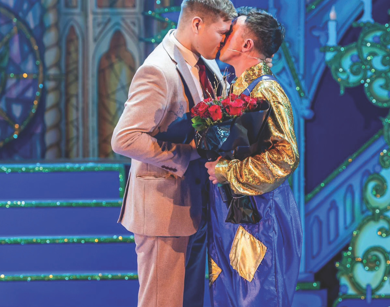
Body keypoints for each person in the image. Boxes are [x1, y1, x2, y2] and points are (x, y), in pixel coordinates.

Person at [111, 1, 237, 306]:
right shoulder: (158, 69)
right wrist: (185, 153)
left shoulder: (207, 64)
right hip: (162, 212)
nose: (225, 40)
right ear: (197, 24)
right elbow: (124, 139)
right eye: (222, 32)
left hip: (195, 208)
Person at [205, 7, 303, 307]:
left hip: (260, 218)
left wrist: (230, 171)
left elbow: (286, 156)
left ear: (247, 44)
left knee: (259, 296)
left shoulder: (268, 90)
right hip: (226, 214)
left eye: (232, 31)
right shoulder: (227, 88)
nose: (223, 36)